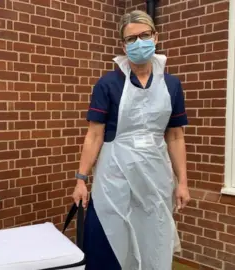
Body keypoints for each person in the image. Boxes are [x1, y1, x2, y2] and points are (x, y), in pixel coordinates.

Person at [72, 10, 191, 270]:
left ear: (155, 37)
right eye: (131, 39)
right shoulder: (108, 83)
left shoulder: (172, 85)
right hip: (115, 175)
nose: (138, 43)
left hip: (155, 176)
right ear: (123, 45)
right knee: (109, 237)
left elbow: (175, 135)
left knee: (154, 236)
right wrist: (81, 179)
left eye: (144, 35)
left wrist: (182, 182)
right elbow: (94, 135)